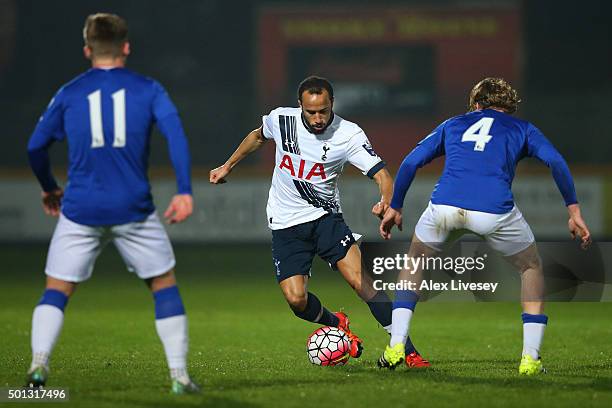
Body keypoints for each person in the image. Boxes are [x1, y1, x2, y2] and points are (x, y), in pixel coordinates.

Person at [26, 13, 199, 393]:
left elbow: (35, 146)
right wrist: (184, 190)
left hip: (80, 209)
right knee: (163, 286)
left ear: (87, 49)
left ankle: (39, 366)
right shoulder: (149, 89)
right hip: (133, 208)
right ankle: (179, 376)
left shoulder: (69, 92)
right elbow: (177, 136)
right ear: (126, 47)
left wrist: (48, 186)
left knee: (56, 289)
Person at [376, 77, 591, 374]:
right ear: (509, 107)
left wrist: (396, 205)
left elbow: (412, 162)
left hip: (445, 206)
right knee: (530, 268)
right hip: (494, 211)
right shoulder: (522, 128)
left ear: (477, 104)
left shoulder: (454, 124)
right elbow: (556, 162)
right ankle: (530, 358)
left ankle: (396, 344)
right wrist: (574, 210)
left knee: (414, 263)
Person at [210, 76, 429, 367]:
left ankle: (407, 350)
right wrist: (228, 165)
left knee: (361, 281)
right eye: (311, 111)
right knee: (296, 301)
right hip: (286, 224)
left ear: (332, 105)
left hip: (326, 219)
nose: (317, 118)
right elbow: (257, 136)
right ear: (299, 105)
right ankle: (337, 323)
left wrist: (386, 201)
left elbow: (382, 175)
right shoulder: (282, 120)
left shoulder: (348, 134)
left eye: (323, 111)